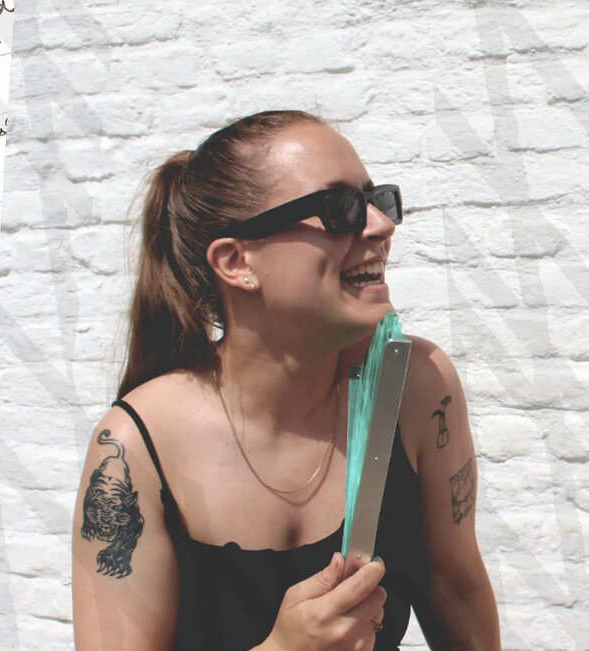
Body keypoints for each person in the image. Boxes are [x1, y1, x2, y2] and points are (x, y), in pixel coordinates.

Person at [72, 110, 500, 651]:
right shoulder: (136, 446)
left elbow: (455, 589)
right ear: (236, 261)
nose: (382, 225)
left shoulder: (413, 386)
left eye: (377, 199)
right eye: (339, 208)